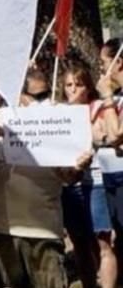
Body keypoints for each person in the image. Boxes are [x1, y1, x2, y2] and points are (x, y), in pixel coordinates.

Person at [0, 79, 93, 288]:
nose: (41, 102)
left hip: (43, 231)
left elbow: (68, 177)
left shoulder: (59, 120)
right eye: (36, 96)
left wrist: (78, 167)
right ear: (19, 94)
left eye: (45, 95)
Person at [60, 63, 120, 288]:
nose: (73, 89)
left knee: (102, 243)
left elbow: (105, 134)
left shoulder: (97, 107)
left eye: (78, 84)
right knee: (79, 244)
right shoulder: (60, 113)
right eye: (68, 85)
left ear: (88, 87)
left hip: (95, 181)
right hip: (69, 183)